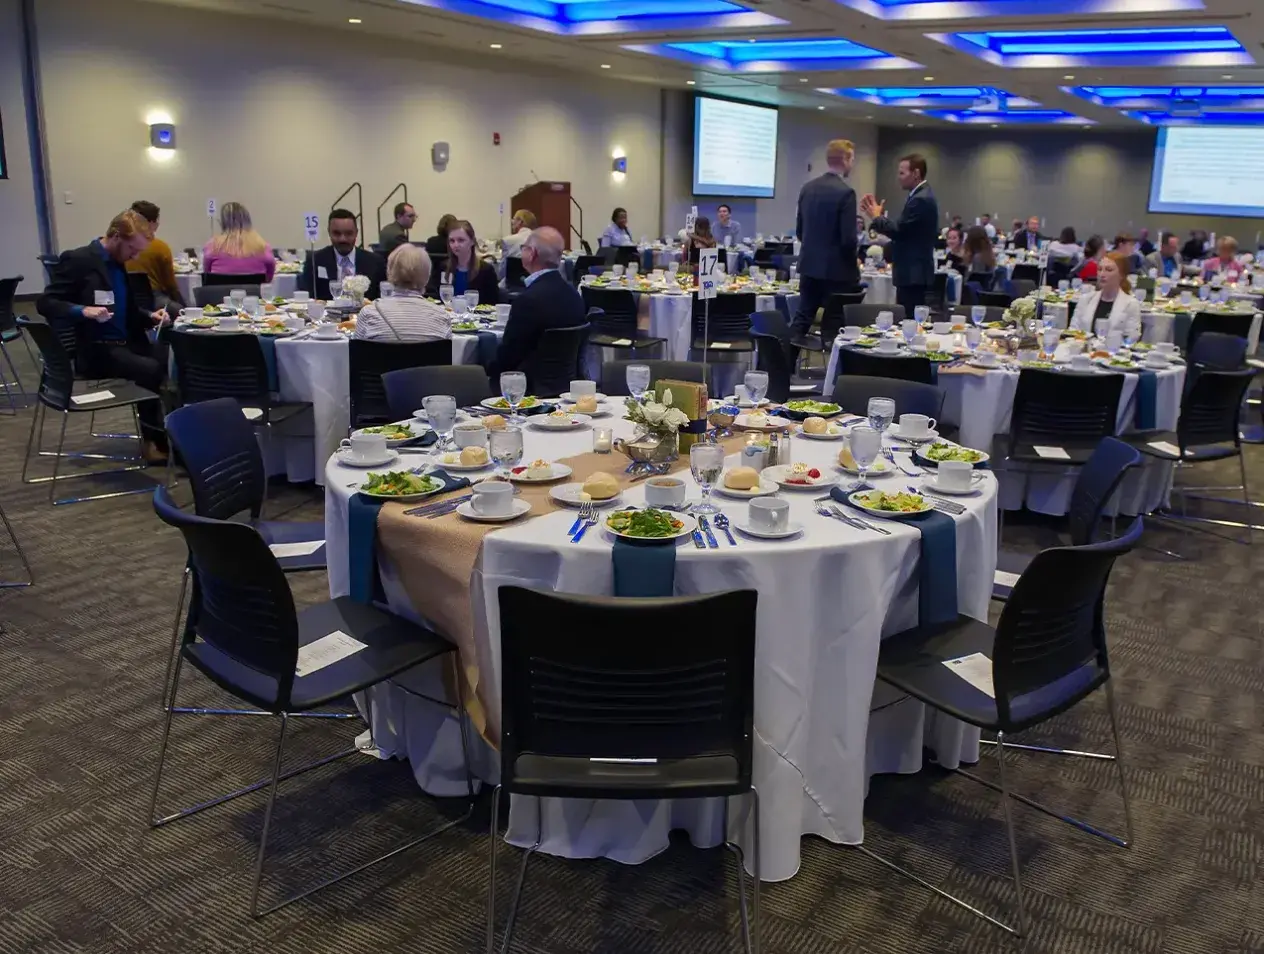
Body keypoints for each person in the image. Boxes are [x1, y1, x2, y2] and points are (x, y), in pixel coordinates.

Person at [37, 210, 170, 462]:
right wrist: (82, 310)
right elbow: (46, 302)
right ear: (116, 237)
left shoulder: (119, 263)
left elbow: (128, 312)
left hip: (126, 343)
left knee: (176, 360)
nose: (136, 256)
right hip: (97, 350)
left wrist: (150, 316)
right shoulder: (79, 260)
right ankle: (155, 442)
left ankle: (172, 435)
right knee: (150, 369)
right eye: (133, 249)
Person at [487, 226, 586, 382]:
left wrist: (483, 368)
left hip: (526, 389)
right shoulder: (574, 295)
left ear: (531, 253)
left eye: (523, 248)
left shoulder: (528, 301)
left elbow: (508, 358)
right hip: (566, 384)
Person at [792, 139, 862, 338]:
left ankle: (784, 365)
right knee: (834, 323)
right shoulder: (846, 193)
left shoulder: (807, 188)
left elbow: (800, 231)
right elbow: (848, 240)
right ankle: (832, 367)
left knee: (802, 318)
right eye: (852, 159)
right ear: (846, 159)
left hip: (809, 267)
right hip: (837, 273)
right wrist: (854, 264)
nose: (853, 164)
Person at [862, 152, 939, 313]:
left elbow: (899, 230)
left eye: (902, 173)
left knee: (909, 318)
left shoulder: (921, 199)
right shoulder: (919, 195)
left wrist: (877, 217)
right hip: (913, 271)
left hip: (913, 272)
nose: (899, 177)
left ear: (916, 173)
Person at [353, 245, 451, 342]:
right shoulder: (442, 317)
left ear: (389, 273)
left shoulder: (369, 314)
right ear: (427, 277)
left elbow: (356, 354)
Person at [301, 208, 386, 301]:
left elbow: (381, 299)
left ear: (356, 233)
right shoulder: (315, 260)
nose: (343, 239)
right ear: (329, 233)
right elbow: (307, 297)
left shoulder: (375, 262)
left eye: (349, 233)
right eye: (337, 233)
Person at [126, 200, 183, 311]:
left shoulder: (123, 245)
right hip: (154, 298)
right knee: (180, 310)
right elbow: (170, 285)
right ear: (151, 222)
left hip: (126, 296)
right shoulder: (160, 247)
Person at [424, 219, 499, 303]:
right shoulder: (442, 267)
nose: (455, 245)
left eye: (461, 240)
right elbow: (432, 296)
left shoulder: (486, 270)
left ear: (472, 241)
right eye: (452, 241)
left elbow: (492, 302)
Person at [1072, 252, 1142, 341]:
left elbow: (1132, 337)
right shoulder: (1086, 299)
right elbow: (1073, 331)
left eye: (1109, 270)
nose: (1102, 274)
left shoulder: (1130, 304)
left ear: (1121, 275)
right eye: (1100, 269)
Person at [202, 202, 275, 281]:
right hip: (253, 293)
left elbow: (207, 274)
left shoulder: (212, 246)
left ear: (223, 223)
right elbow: (269, 277)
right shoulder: (262, 246)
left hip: (220, 292)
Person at [962, 225, 997, 290]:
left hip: (973, 292)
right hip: (985, 291)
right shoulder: (988, 254)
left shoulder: (977, 258)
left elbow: (974, 281)